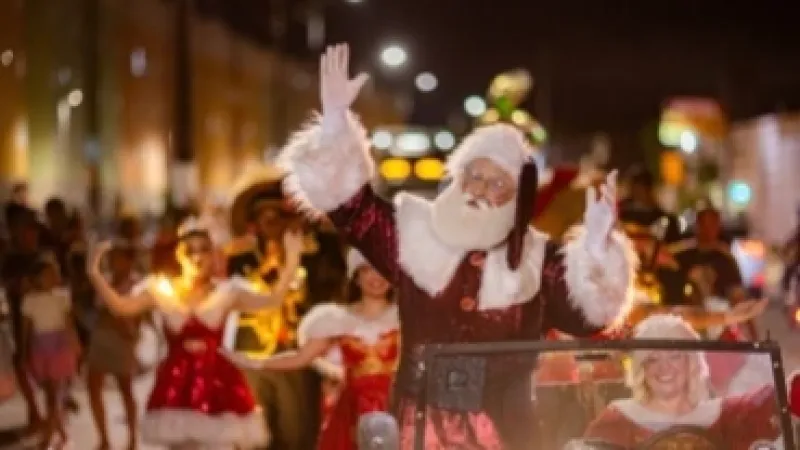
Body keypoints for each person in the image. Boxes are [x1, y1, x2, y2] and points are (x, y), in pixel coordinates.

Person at [277, 43, 637, 449]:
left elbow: (586, 319)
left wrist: (596, 250)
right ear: (458, 178)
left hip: (507, 432)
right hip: (419, 427)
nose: (479, 190)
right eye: (474, 176)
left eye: (496, 182)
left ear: (516, 197)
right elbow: (351, 208)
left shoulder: (537, 259)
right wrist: (335, 125)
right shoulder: (413, 233)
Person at [87, 217, 304, 449]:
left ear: (213, 255)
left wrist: (292, 260)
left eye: (204, 250)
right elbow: (122, 307)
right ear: (179, 255)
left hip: (218, 383)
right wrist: (94, 274)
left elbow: (271, 301)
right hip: (177, 385)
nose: (197, 257)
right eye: (189, 251)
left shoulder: (227, 292)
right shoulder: (162, 290)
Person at [225, 249, 399, 450]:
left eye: (381, 271)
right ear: (357, 277)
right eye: (367, 270)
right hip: (353, 408)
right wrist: (255, 362)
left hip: (397, 404)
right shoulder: (337, 320)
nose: (376, 278)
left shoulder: (406, 319)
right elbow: (301, 357)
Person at [581, 314, 781, 450]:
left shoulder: (725, 416)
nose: (664, 368)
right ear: (642, 369)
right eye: (653, 359)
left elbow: (777, 399)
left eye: (674, 356)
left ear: (691, 362)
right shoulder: (619, 420)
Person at [85, 243, 143, 450]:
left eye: (118, 258)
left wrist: (123, 322)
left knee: (125, 388)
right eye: (112, 258)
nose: (114, 263)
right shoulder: (106, 281)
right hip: (103, 336)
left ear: (129, 260)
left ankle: (133, 438)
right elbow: (100, 310)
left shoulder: (137, 285)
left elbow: (137, 316)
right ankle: (103, 439)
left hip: (122, 338)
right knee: (93, 386)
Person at [21, 257, 81, 449]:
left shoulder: (62, 296)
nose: (54, 277)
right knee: (50, 394)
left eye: (55, 273)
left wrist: (75, 343)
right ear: (37, 278)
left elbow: (68, 322)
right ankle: (62, 433)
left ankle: (48, 437)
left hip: (59, 347)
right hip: (40, 348)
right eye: (49, 274)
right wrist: (24, 351)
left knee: (54, 394)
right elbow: (26, 329)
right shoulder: (29, 300)